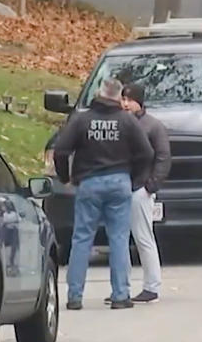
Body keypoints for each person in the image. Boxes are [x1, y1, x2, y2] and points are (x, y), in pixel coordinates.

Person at [53, 77, 154, 310]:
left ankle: (75, 296)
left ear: (99, 93)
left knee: (81, 239)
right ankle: (120, 295)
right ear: (118, 97)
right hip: (119, 182)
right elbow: (146, 153)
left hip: (89, 182)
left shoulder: (82, 120)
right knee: (118, 238)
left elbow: (61, 150)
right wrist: (135, 179)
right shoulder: (126, 121)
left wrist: (65, 177)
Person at [103, 83, 171, 304]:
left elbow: (163, 158)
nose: (124, 104)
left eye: (129, 100)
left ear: (139, 102)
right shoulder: (120, 123)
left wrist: (150, 186)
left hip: (140, 188)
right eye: (122, 99)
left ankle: (152, 286)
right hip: (120, 187)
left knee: (143, 237)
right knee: (120, 239)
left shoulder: (153, 126)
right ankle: (121, 288)